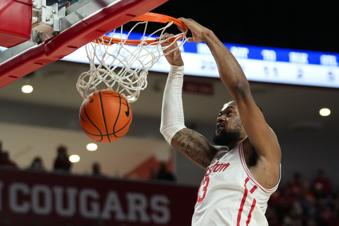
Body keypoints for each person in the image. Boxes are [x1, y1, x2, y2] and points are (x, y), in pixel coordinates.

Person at [160, 18, 281, 226]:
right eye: (220, 113)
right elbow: (171, 129)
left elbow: (240, 89)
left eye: (229, 112)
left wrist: (208, 36)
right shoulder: (217, 158)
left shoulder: (263, 154)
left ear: (250, 119)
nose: (220, 117)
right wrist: (176, 69)